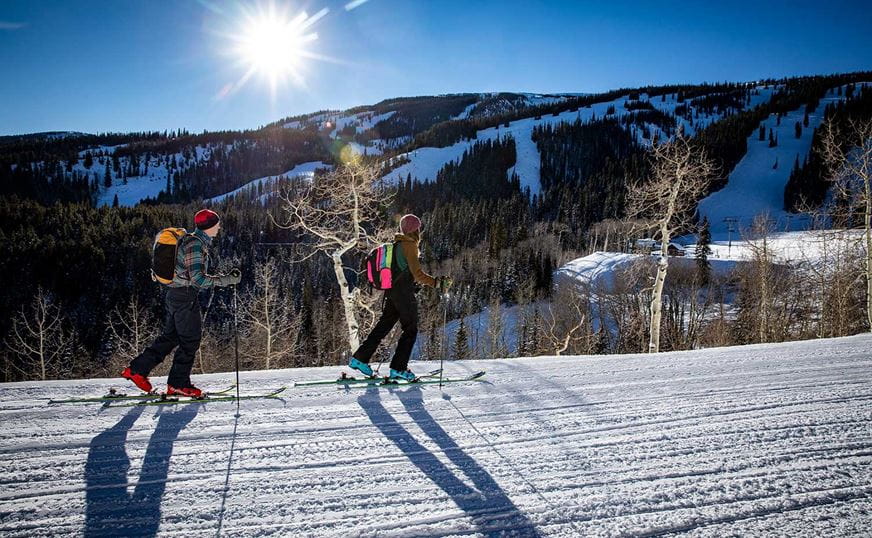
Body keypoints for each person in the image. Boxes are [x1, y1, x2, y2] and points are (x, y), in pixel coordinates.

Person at [121, 209, 241, 397]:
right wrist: (226, 280)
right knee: (190, 340)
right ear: (209, 226)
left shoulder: (192, 240)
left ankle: (137, 370)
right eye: (217, 224)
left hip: (174, 295)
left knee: (171, 337)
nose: (219, 227)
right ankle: (178, 384)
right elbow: (198, 280)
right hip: (185, 297)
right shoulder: (195, 244)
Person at [348, 214, 451, 381]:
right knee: (410, 329)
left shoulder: (397, 245)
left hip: (392, 293)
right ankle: (398, 368)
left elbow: (403, 272)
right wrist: (437, 283)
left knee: (383, 326)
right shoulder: (409, 245)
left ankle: (359, 359)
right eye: (418, 228)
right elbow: (417, 274)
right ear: (414, 230)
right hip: (403, 295)